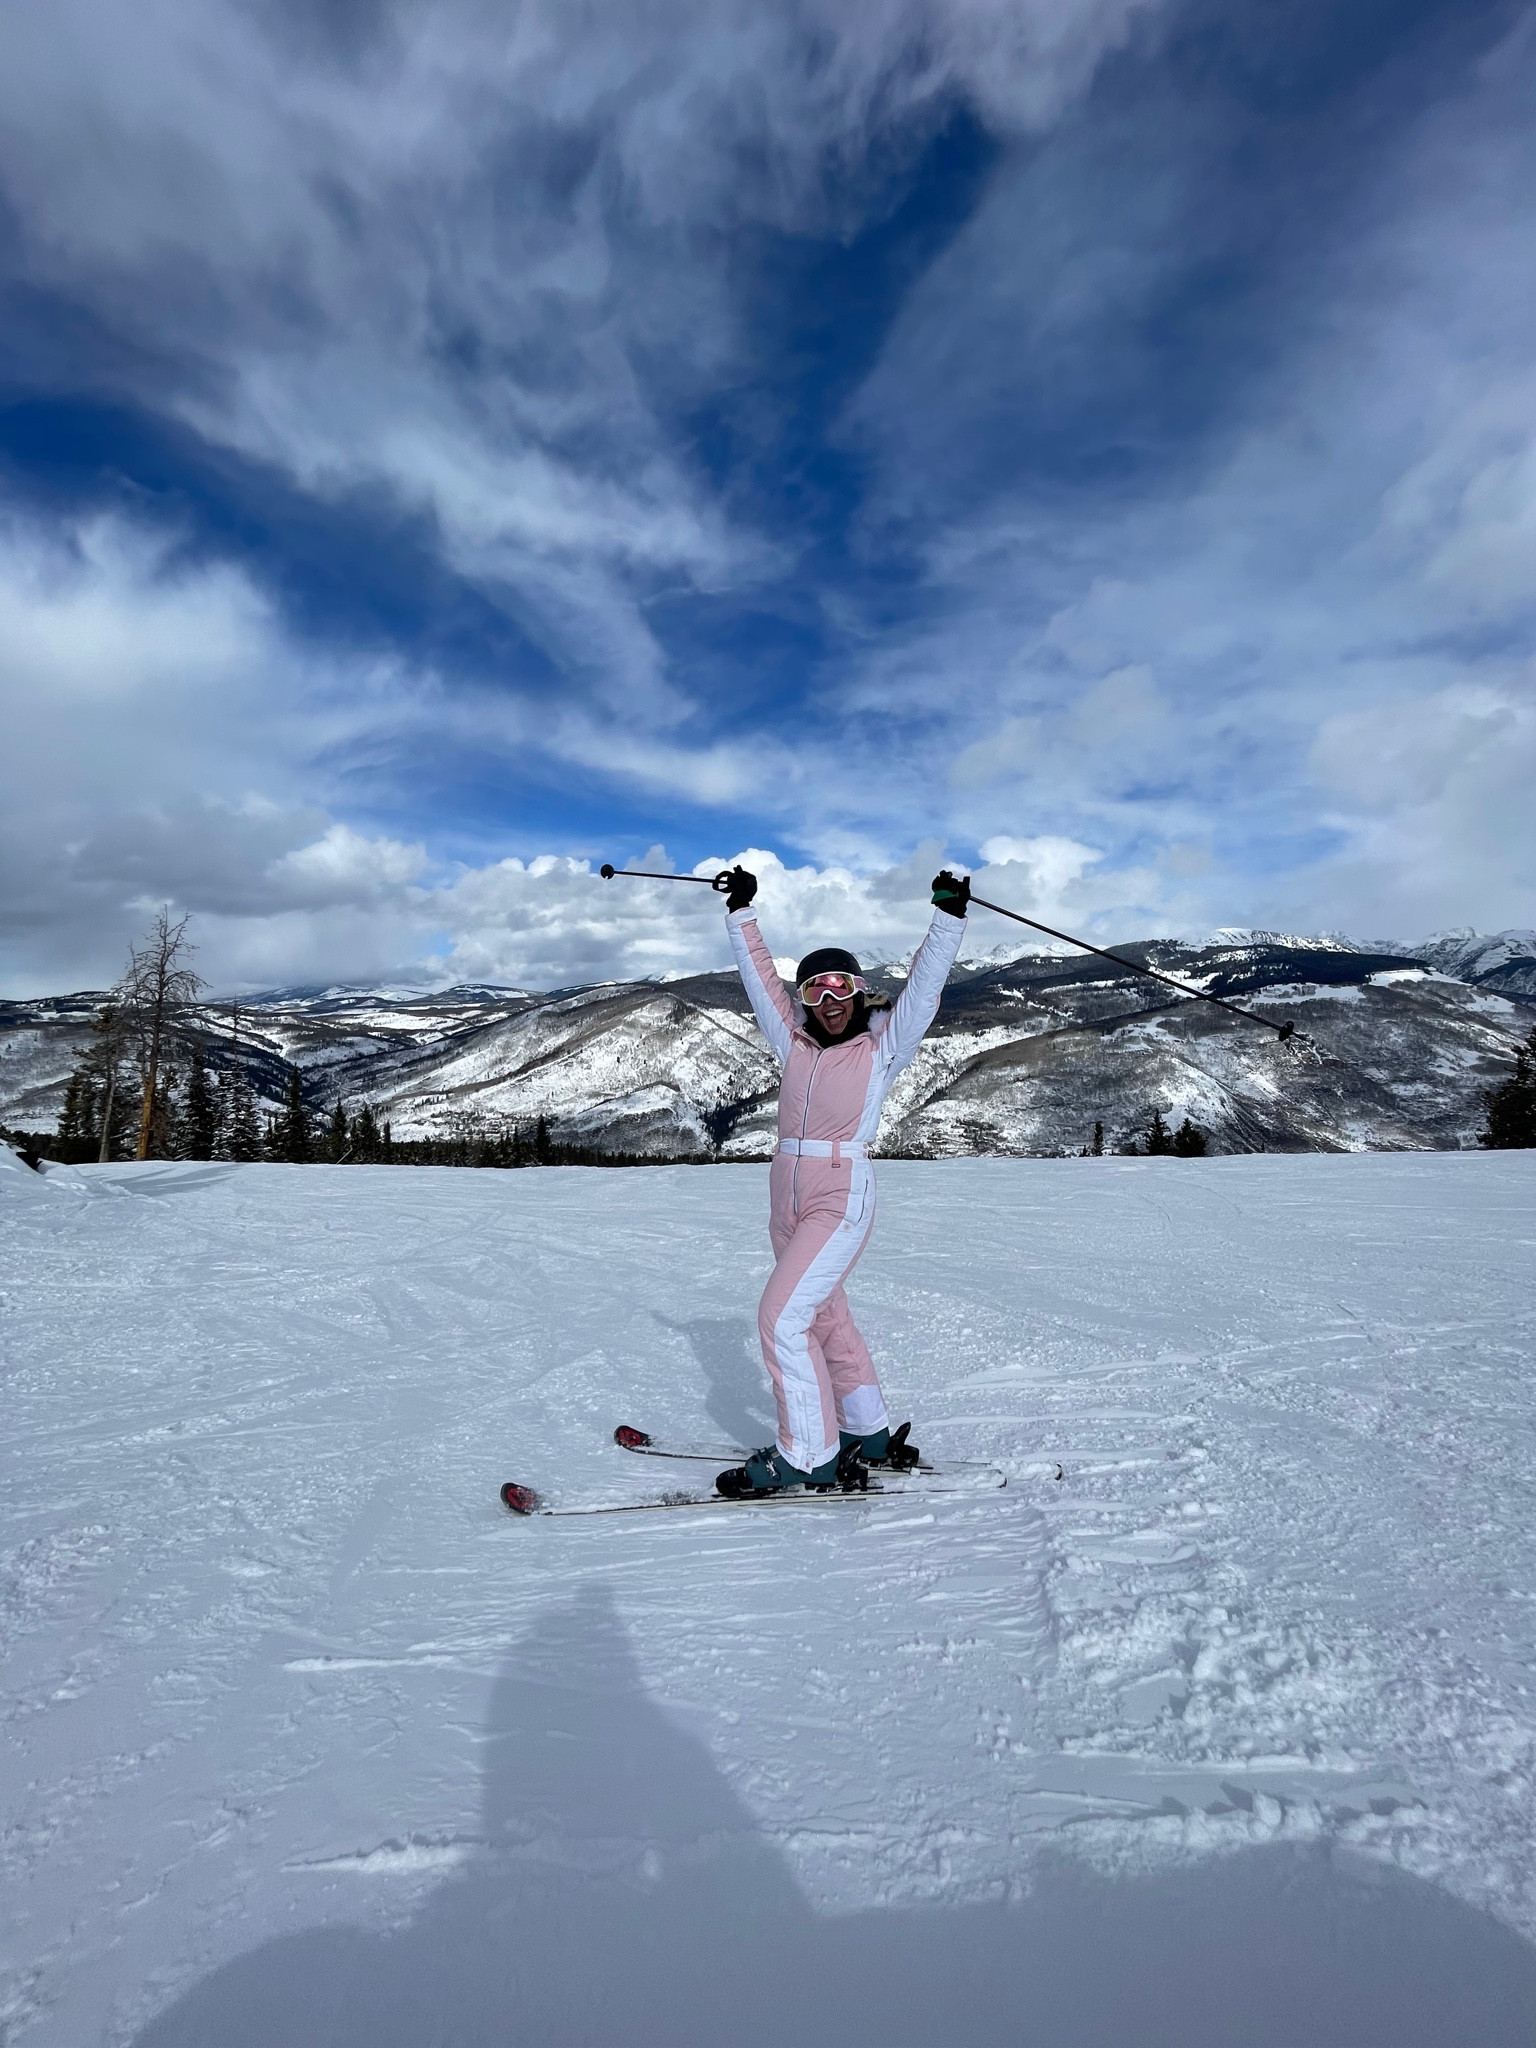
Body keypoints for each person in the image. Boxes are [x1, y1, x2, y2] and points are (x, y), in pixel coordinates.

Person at [715, 867, 971, 1498]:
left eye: (842, 987)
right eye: (816, 990)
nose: (829, 1001)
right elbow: (760, 985)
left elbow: (926, 987)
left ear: (860, 994)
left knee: (781, 1319)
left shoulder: (883, 1045)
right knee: (823, 1314)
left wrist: (948, 916)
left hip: (839, 1192)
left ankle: (808, 1454)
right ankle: (865, 1431)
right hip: (787, 1194)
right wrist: (742, 913)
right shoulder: (794, 1042)